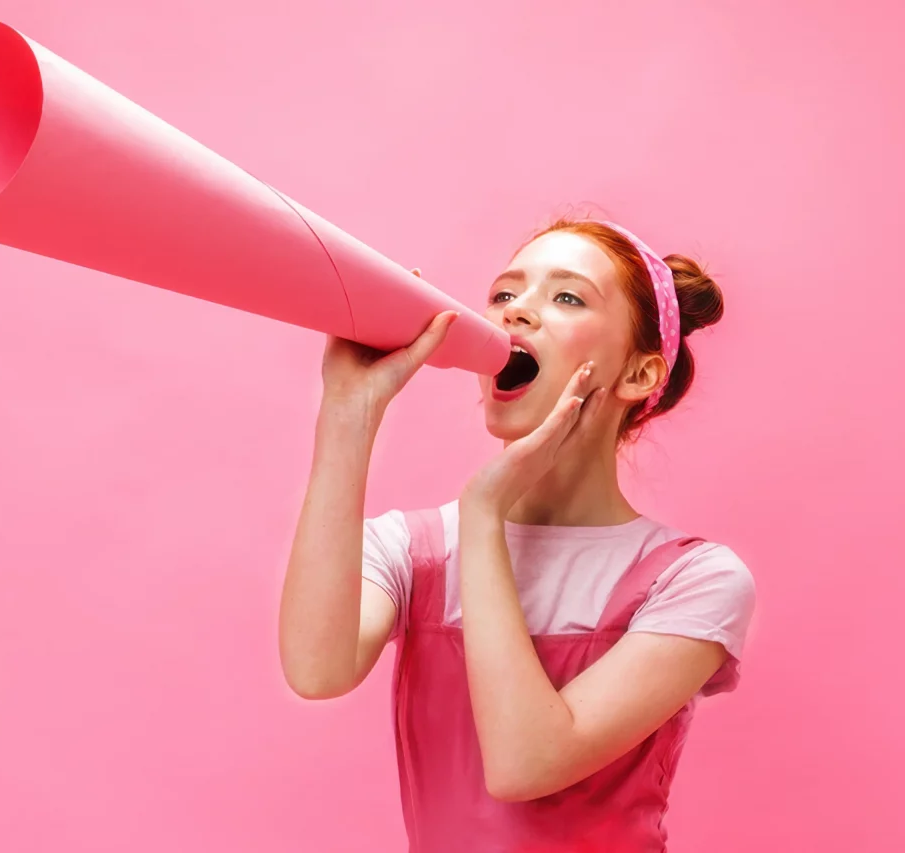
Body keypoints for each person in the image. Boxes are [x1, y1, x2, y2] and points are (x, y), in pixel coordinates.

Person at [279, 218, 756, 850]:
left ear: (639, 375)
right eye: (505, 294)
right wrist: (349, 410)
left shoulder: (693, 579)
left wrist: (484, 515)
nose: (517, 312)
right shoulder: (408, 551)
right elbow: (317, 670)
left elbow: (525, 762)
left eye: (567, 297)